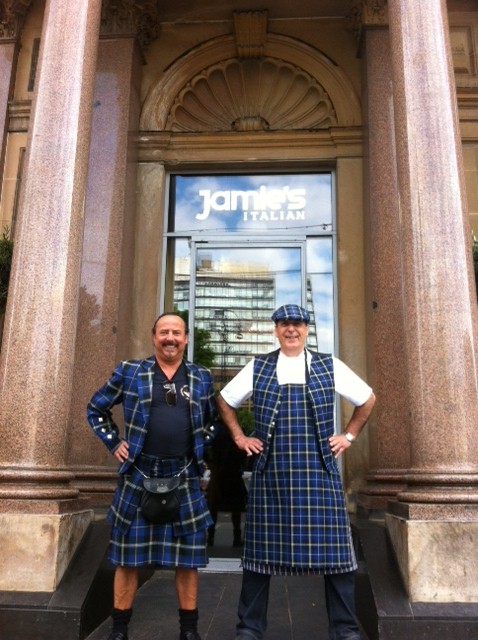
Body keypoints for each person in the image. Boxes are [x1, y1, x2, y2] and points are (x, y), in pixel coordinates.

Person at [216, 304, 375, 640]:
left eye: (298, 324)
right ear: (275, 330)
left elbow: (367, 398)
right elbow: (225, 400)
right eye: (284, 324)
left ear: (306, 329)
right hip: (271, 476)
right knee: (259, 558)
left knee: (338, 558)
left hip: (319, 474)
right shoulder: (258, 366)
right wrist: (239, 437)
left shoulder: (328, 365)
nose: (291, 329)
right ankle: (249, 631)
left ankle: (345, 631)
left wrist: (348, 436)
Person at [87, 312, 218, 640]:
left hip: (184, 476)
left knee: (187, 562)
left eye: (176, 332)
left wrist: (200, 445)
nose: (170, 338)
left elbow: (214, 421)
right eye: (164, 332)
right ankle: (119, 631)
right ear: (153, 337)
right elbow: (96, 408)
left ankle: (188, 632)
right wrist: (114, 442)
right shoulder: (131, 371)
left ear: (186, 338)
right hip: (139, 475)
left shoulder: (201, 377)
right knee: (127, 560)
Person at [205, 425, 248, 547]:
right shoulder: (235, 430)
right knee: (233, 508)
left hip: (223, 472)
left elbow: (207, 448)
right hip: (227, 472)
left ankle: (212, 536)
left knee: (216, 507)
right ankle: (236, 537)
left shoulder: (216, 430)